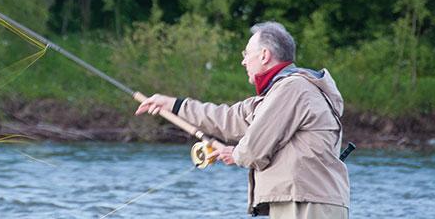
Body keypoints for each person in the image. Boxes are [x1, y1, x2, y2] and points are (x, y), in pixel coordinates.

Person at [135, 21, 350, 218]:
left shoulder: (293, 88)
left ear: (264, 55)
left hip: (309, 203)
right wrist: (173, 105)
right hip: (302, 199)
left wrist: (235, 154)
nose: (243, 61)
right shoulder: (276, 94)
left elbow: (255, 148)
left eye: (247, 54)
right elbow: (227, 119)